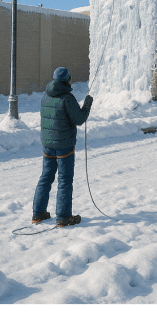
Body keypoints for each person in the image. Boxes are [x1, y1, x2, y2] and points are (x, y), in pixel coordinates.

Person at [31, 67, 93, 226]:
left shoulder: (45, 96)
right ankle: (64, 217)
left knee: (45, 178)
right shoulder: (67, 98)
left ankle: (38, 214)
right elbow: (79, 119)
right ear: (67, 80)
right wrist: (87, 104)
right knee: (64, 180)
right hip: (64, 145)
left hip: (47, 144)